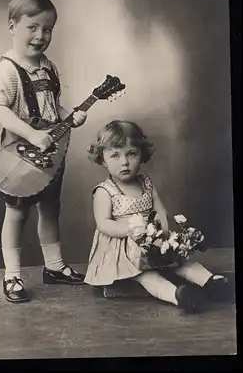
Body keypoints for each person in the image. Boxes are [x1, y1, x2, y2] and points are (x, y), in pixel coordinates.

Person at [0, 0, 87, 303]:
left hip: (50, 153)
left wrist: (71, 116)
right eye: (32, 27)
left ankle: (54, 267)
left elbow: (51, 107)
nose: (40, 36)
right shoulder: (8, 70)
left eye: (48, 29)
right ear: (12, 26)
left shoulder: (49, 67)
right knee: (17, 213)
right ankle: (12, 275)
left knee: (51, 207)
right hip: (19, 155)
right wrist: (30, 133)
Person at [85, 120, 230, 313]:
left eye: (131, 154)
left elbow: (160, 210)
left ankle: (213, 283)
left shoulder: (146, 182)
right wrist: (131, 230)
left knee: (181, 263)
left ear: (141, 154)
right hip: (124, 250)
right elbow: (103, 224)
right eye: (115, 155)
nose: (124, 162)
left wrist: (163, 233)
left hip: (154, 241)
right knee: (147, 276)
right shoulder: (105, 191)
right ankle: (179, 296)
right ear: (103, 160)